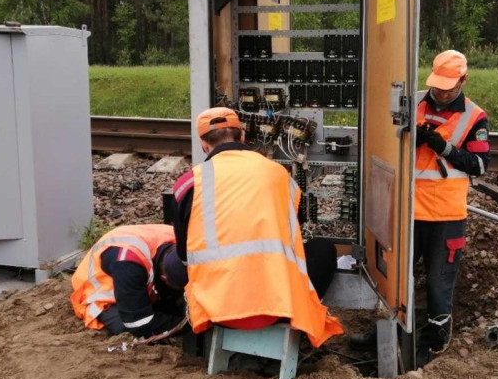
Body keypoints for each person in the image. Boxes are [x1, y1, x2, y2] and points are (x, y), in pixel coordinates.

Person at [171, 107, 343, 347]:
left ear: (203, 144)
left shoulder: (189, 183)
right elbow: (296, 228)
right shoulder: (278, 174)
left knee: (171, 261)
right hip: (277, 309)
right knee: (323, 249)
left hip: (217, 311)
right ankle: (298, 336)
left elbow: (182, 255)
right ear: (242, 136)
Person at [413, 50, 491, 365]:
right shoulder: (413, 102)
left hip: (445, 215)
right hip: (407, 208)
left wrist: (444, 148)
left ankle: (434, 342)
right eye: (438, 85)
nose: (442, 91)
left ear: (463, 80)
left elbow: (480, 165)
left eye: (449, 85)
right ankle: (386, 331)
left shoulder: (475, 117)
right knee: (393, 276)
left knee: (438, 280)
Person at [70, 224, 189, 338]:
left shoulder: (183, 241)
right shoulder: (128, 264)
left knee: (171, 307)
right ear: (164, 278)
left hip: (127, 263)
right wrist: (187, 326)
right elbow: (139, 323)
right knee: (127, 328)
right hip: (98, 293)